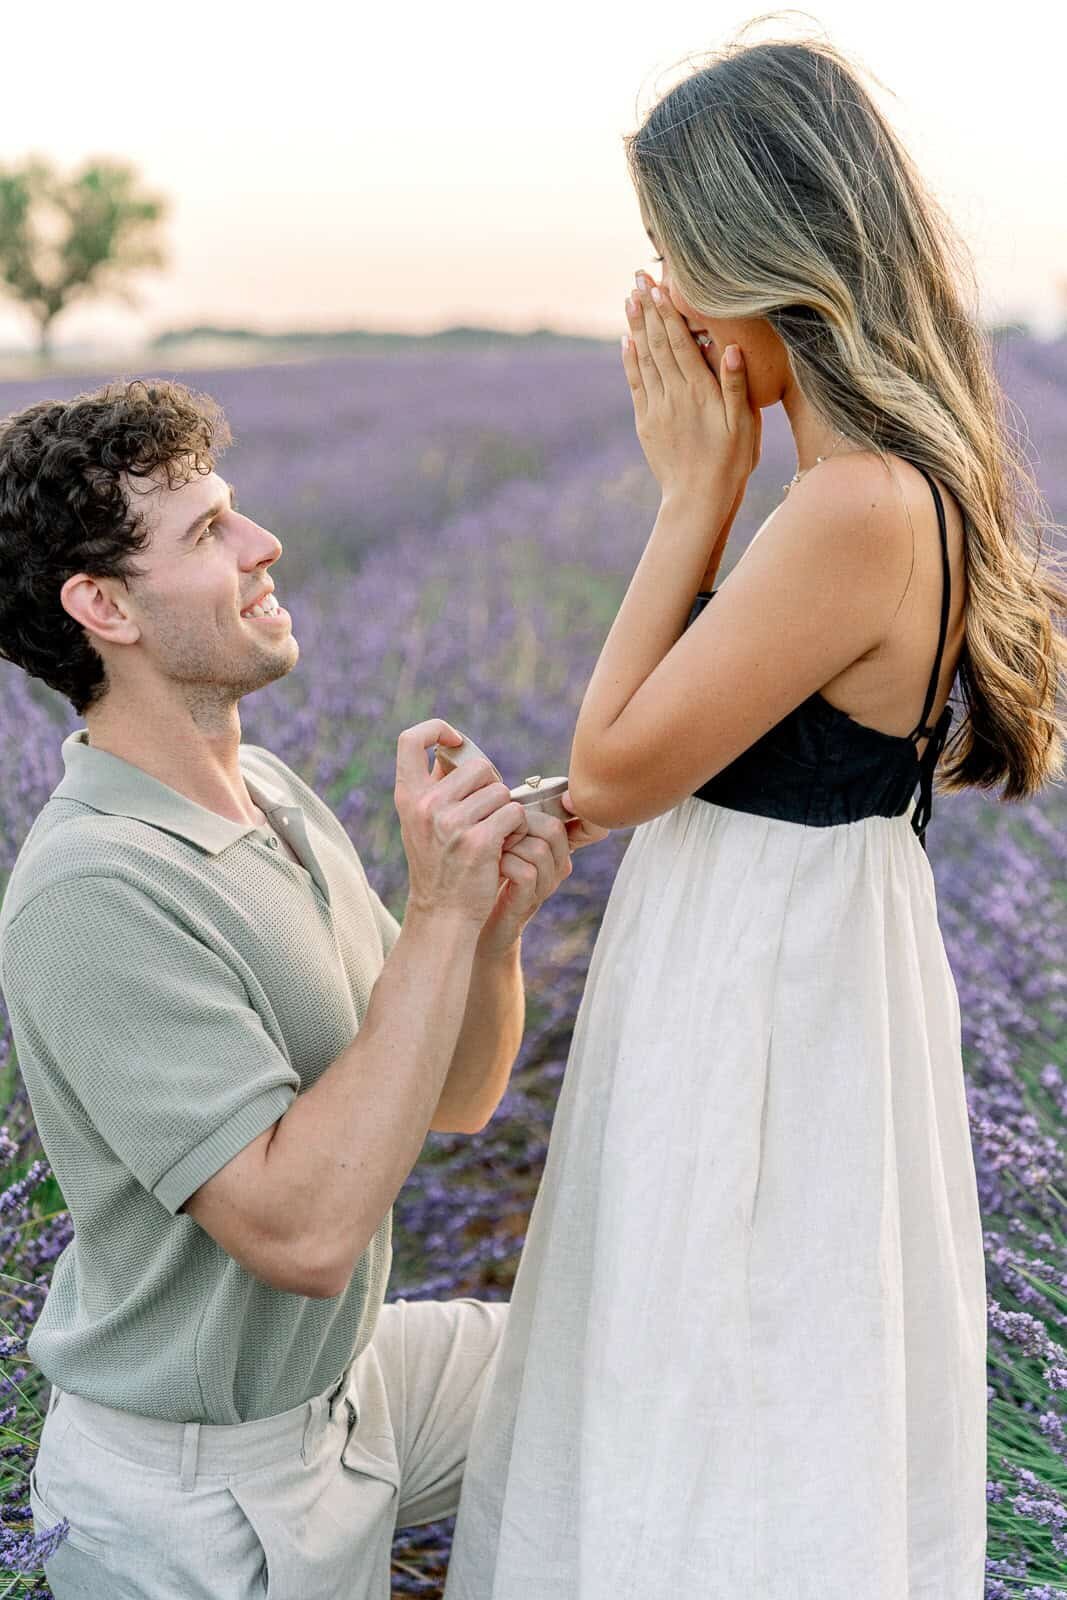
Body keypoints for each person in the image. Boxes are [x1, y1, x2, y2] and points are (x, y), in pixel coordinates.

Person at [443, 29, 1067, 1600]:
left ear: (760, 264)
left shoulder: (850, 507)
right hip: (782, 990)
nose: (656, 308)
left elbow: (611, 765)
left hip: (765, 1028)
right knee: (735, 1397)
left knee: (714, 1405)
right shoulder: (891, 483)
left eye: (669, 261)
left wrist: (687, 497)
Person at [0, 377, 607, 1599]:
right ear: (101, 604)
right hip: (201, 1492)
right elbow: (305, 1233)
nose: (262, 542)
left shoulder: (270, 788)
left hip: (350, 1384)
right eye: (207, 532)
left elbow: (454, 1096)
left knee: (629, 1367)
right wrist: (434, 910)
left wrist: (484, 932)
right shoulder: (91, 891)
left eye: (237, 511)